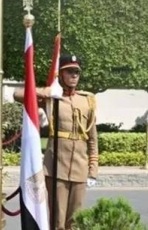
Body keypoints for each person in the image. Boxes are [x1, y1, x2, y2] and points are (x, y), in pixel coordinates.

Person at [13, 54, 98, 230]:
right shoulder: (52, 99)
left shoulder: (87, 101)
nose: (74, 76)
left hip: (80, 168)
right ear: (61, 75)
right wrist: (46, 91)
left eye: (77, 72)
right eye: (69, 72)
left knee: (75, 220)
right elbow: (18, 94)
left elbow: (92, 140)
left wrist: (93, 170)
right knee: (57, 220)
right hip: (56, 167)